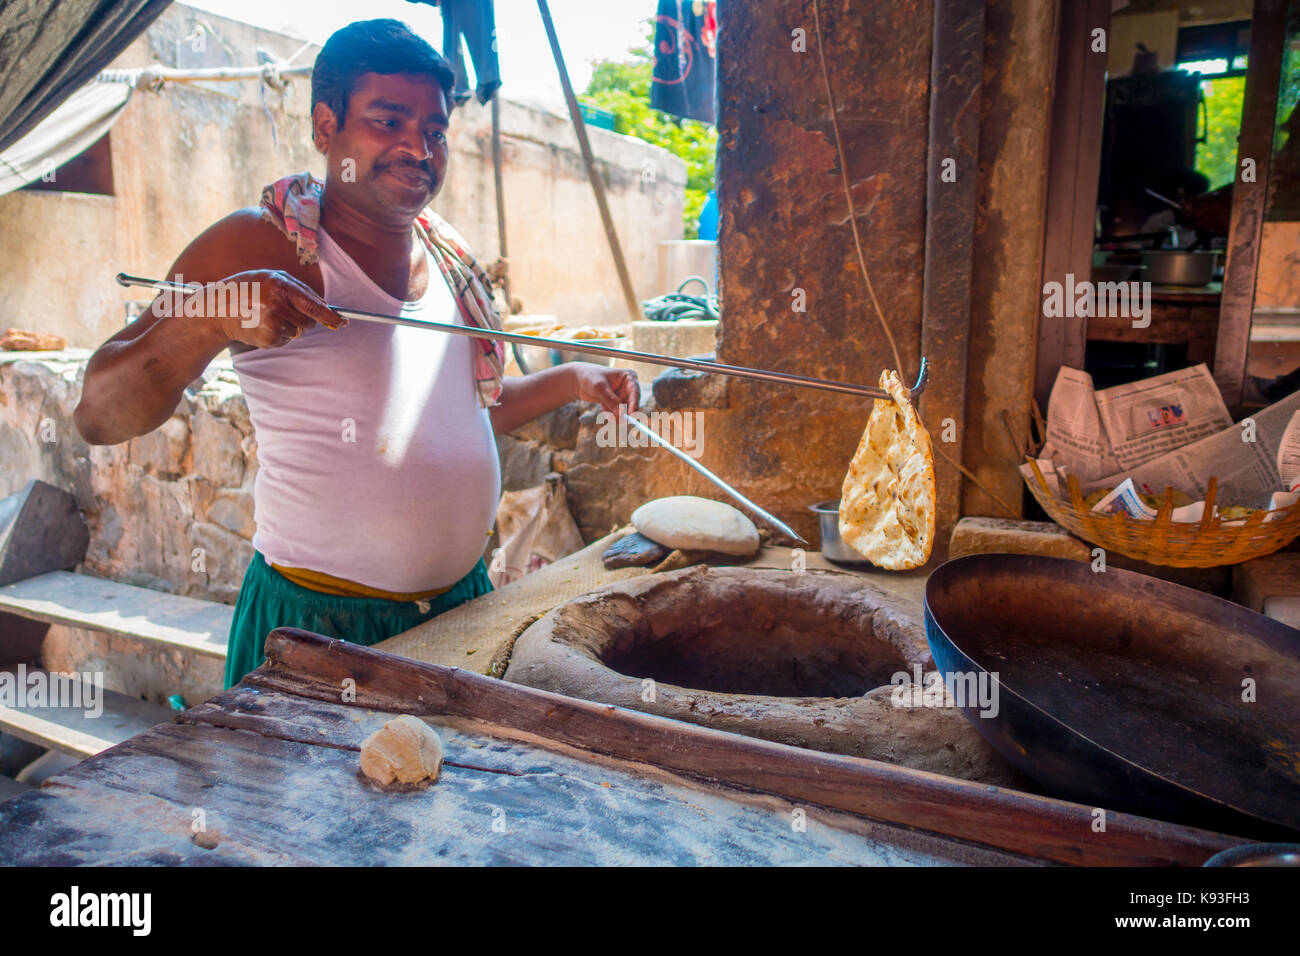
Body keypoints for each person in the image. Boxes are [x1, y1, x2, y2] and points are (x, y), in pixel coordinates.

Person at [73, 20, 638, 686]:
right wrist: (206, 318)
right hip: (318, 628)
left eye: (434, 130)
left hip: (461, 612)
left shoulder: (449, 260)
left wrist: (574, 379)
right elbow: (98, 416)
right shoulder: (258, 247)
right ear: (324, 129)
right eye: (388, 121)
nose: (418, 148)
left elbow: (466, 416)